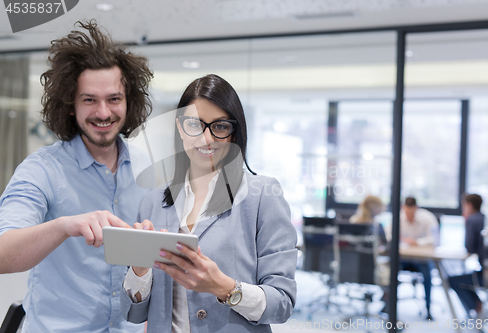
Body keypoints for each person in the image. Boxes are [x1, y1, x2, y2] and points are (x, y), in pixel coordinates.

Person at [0, 21, 153, 332]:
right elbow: (3, 254)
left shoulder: (150, 170)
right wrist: (64, 226)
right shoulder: (42, 169)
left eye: (113, 99)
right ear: (70, 105)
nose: (103, 112)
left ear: (128, 102)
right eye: (89, 100)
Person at [120, 74, 297, 332]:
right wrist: (139, 270)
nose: (206, 139)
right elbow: (134, 313)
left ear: (234, 133)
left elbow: (282, 303)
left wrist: (223, 287)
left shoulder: (262, 196)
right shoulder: (152, 202)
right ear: (180, 128)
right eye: (194, 124)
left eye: (220, 126)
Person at [386, 196, 439, 320]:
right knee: (391, 269)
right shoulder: (398, 217)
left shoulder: (427, 217)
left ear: (417, 209)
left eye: (412, 212)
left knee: (427, 273)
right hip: (404, 258)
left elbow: (435, 239)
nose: (409, 215)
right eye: (407, 212)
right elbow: (389, 236)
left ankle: (428, 308)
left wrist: (417, 242)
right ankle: (387, 305)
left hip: (421, 259)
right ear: (403, 208)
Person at [449, 194, 485, 319]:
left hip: (486, 276)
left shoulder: (472, 220)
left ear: (469, 205)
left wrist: (466, 222)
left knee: (452, 280)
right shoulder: (483, 218)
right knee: (461, 278)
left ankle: (476, 306)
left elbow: (469, 247)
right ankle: (477, 306)